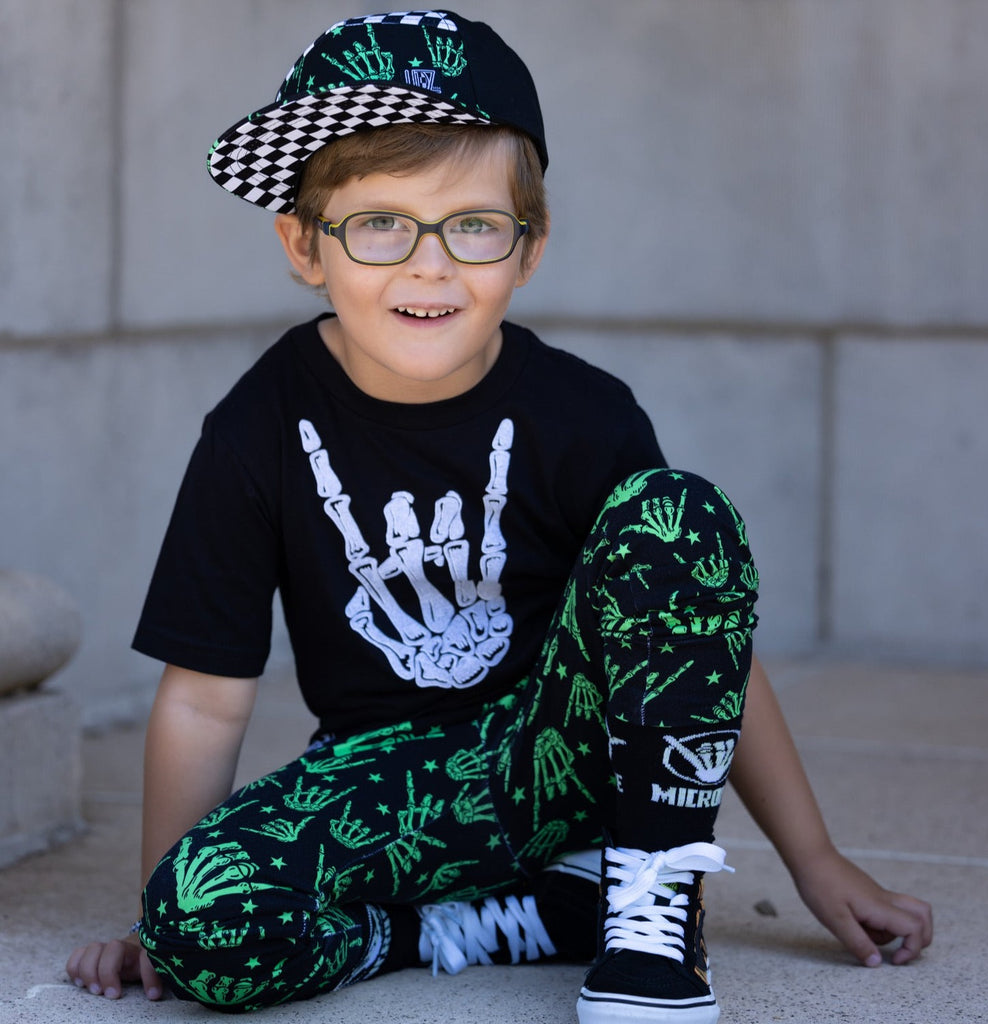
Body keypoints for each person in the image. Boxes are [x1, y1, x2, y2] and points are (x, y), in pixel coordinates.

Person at [66, 11, 932, 1022]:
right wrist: (154, 915)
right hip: (388, 785)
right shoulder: (256, 428)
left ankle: (649, 911)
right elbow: (205, 702)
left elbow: (699, 644)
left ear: (528, 247)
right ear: (304, 244)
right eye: (380, 222)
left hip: (569, 760)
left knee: (680, 516)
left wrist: (813, 856)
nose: (428, 264)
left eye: (472, 224)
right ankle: (476, 923)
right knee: (200, 921)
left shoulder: (584, 415)